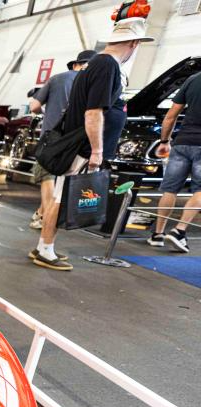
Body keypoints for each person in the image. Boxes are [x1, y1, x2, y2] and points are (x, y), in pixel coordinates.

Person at [32, 18, 153, 271]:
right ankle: (45, 250)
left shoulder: (99, 64)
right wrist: (97, 151)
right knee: (61, 198)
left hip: (78, 143)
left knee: (59, 196)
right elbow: (93, 112)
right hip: (82, 145)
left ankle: (45, 246)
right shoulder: (107, 66)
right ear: (133, 43)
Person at [27, 50, 96, 230]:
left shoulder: (58, 79)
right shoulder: (94, 84)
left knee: (46, 175)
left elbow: (34, 106)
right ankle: (41, 212)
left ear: (75, 64)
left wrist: (45, 112)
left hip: (52, 137)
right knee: (62, 182)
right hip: (78, 142)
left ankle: (45, 218)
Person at [146, 69, 201, 253]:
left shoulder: (193, 79)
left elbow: (171, 115)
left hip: (182, 142)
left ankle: (158, 234)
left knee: (170, 189)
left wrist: (164, 141)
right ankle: (179, 231)